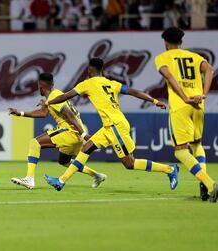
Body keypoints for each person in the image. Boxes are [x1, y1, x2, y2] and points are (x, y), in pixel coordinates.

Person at [43, 58, 179, 192]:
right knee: (86, 148)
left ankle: (170, 169)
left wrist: (48, 102)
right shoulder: (111, 83)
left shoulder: (87, 83)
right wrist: (154, 101)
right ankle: (61, 181)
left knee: (129, 163)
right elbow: (135, 92)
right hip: (110, 126)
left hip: (115, 126)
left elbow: (65, 96)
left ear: (90, 69)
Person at [8, 73, 107, 190]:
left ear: (40, 86)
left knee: (35, 143)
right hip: (76, 134)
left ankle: (29, 178)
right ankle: (97, 175)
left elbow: (69, 114)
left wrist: (83, 134)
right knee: (64, 161)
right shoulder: (54, 96)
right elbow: (43, 113)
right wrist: (21, 113)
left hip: (71, 131)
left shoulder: (54, 96)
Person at [154, 27, 218, 202]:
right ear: (181, 42)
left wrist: (183, 97)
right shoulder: (195, 57)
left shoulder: (162, 57)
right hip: (198, 105)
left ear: (165, 43)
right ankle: (203, 184)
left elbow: (170, 77)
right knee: (197, 144)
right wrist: (203, 94)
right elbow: (210, 70)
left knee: (180, 151)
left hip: (181, 106)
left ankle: (211, 184)